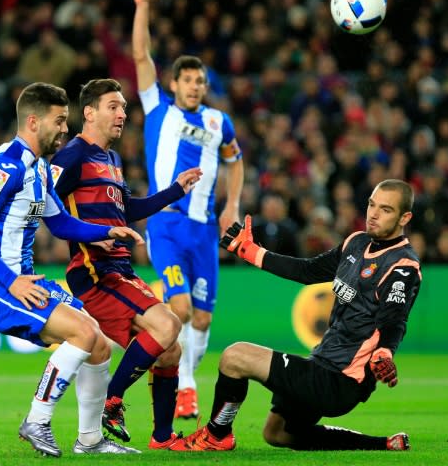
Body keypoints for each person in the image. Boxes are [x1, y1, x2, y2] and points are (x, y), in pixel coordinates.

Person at [0, 82, 143, 457]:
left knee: (99, 343)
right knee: (79, 333)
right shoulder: (6, 165)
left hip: (24, 280)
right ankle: (37, 421)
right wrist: (11, 283)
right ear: (32, 121)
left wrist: (107, 231)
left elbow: (60, 224)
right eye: (59, 121)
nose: (65, 129)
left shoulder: (40, 169)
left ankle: (89, 440)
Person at [172, 179, 419, 452]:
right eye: (372, 204)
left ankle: (217, 435)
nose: (373, 213)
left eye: (385, 209)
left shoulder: (403, 265)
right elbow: (308, 271)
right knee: (277, 433)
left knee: (235, 356)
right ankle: (384, 444)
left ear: (404, 217)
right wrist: (252, 252)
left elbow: (395, 317)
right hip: (320, 364)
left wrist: (385, 350)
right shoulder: (356, 242)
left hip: (341, 380)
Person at [50, 78, 202, 449]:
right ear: (89, 112)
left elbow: (126, 210)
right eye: (113, 107)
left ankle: (162, 438)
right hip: (95, 273)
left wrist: (174, 191)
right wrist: (91, 234)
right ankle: (111, 402)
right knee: (168, 324)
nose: (122, 114)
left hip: (120, 271)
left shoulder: (110, 160)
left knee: (171, 349)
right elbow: (46, 208)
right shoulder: (72, 156)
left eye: (123, 107)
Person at [131, 0, 245, 419]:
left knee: (202, 318)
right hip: (167, 223)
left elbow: (236, 160)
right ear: (174, 84)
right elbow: (140, 56)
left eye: (201, 81)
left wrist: (232, 204)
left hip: (203, 229)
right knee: (179, 306)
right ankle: (187, 386)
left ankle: (183, 379)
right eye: (188, 80)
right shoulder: (158, 109)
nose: (196, 86)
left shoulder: (220, 122)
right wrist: (142, 6)